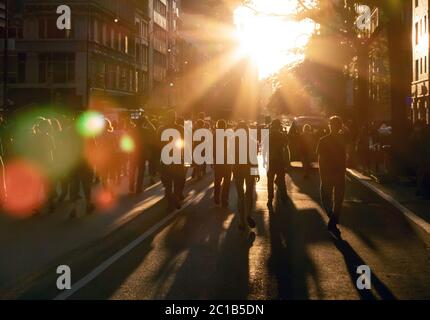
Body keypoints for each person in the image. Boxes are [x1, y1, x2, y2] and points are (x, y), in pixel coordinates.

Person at [317, 116, 347, 239]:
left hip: (327, 173)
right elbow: (346, 157)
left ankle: (331, 215)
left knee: (325, 196)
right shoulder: (343, 140)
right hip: (340, 173)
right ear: (340, 126)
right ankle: (334, 219)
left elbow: (320, 159)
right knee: (338, 199)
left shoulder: (323, 140)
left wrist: (322, 174)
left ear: (329, 125)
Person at [233, 121, 259, 233]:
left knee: (240, 196)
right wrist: (256, 172)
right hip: (249, 170)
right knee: (249, 194)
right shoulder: (252, 141)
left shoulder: (233, 141)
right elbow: (254, 159)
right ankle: (248, 215)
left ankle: (242, 222)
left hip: (237, 170)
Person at [158, 111, 186, 211]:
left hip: (166, 159)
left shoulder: (161, 129)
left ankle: (170, 203)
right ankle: (176, 197)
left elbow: (157, 145)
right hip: (178, 158)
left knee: (168, 183)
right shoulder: (180, 128)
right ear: (175, 118)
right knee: (179, 181)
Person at [266, 119, 288, 208]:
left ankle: (270, 199)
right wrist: (287, 162)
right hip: (280, 161)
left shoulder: (268, 136)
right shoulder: (283, 136)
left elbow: (264, 150)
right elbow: (285, 149)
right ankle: (283, 197)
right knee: (281, 180)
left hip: (270, 161)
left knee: (269, 181)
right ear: (279, 126)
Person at [213, 119, 232, 207]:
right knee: (227, 182)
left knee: (217, 181)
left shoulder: (215, 135)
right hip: (227, 162)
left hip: (218, 161)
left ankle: (217, 197)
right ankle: (224, 200)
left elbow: (212, 148)